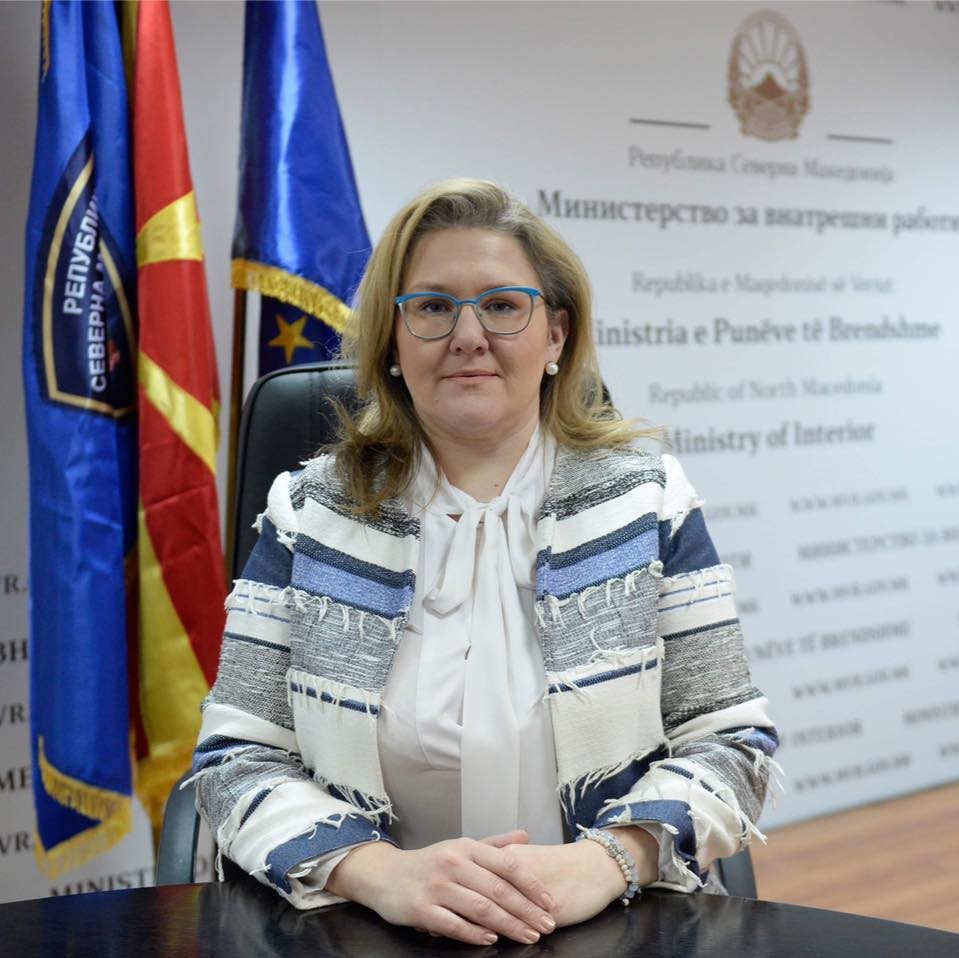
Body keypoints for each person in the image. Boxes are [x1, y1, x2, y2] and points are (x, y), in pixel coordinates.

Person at [192, 179, 778, 947]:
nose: (468, 334)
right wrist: (378, 872)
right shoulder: (309, 513)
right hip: (361, 927)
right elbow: (235, 758)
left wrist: (608, 861)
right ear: (392, 342)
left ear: (556, 335)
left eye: (502, 305)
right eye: (433, 307)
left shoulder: (646, 501)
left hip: (611, 923)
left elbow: (731, 746)